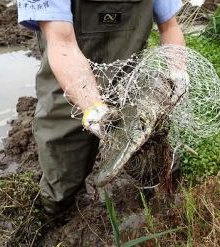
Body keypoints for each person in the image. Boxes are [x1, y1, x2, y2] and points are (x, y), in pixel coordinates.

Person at [18, 0, 186, 214]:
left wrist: (177, 72)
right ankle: (59, 218)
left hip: (131, 84)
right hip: (68, 86)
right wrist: (94, 110)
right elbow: (61, 42)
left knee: (152, 159)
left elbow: (170, 27)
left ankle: (159, 210)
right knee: (62, 178)